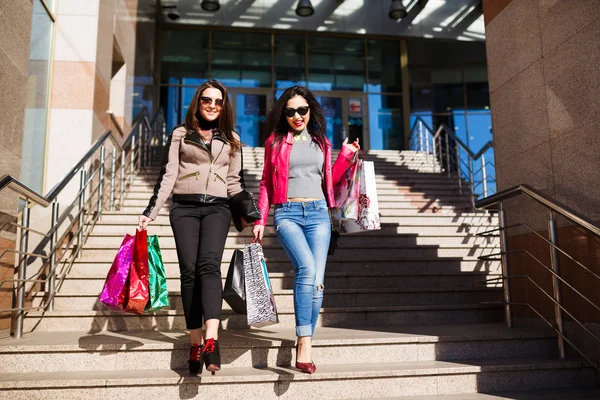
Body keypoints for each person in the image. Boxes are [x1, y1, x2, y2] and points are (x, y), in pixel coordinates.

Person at [138, 80, 247, 376]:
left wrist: (253, 217)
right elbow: (169, 174)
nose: (212, 106)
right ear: (197, 103)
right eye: (207, 100)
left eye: (218, 102)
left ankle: (212, 339)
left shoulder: (233, 139)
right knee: (189, 271)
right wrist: (151, 211)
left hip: (217, 208)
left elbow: (235, 183)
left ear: (224, 107)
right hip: (184, 208)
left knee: (209, 266)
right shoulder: (181, 134)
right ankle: (195, 342)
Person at [252, 85, 360, 374]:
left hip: (318, 214)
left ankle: (305, 340)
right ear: (283, 114)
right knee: (307, 271)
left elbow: (329, 180)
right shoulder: (274, 142)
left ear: (310, 110)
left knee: (318, 281)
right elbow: (265, 183)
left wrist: (346, 156)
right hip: (287, 213)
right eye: (290, 111)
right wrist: (260, 219)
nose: (297, 115)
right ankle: (304, 339)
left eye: (302, 109)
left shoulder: (321, 142)